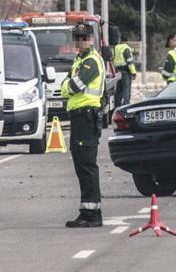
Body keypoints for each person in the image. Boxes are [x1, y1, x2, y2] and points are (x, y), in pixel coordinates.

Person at [60, 23, 106, 228]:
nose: (80, 41)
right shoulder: (81, 60)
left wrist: (67, 85)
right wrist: (67, 85)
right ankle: (87, 210)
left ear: (92, 39)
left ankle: (93, 214)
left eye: (84, 37)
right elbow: (68, 86)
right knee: (81, 166)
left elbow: (72, 86)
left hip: (87, 117)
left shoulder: (91, 62)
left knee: (86, 165)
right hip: (80, 117)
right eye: (77, 38)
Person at [113, 33, 137, 107]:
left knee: (118, 90)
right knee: (126, 90)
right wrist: (133, 72)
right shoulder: (126, 48)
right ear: (127, 40)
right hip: (126, 72)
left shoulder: (116, 47)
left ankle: (117, 106)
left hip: (117, 71)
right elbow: (129, 61)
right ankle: (126, 107)